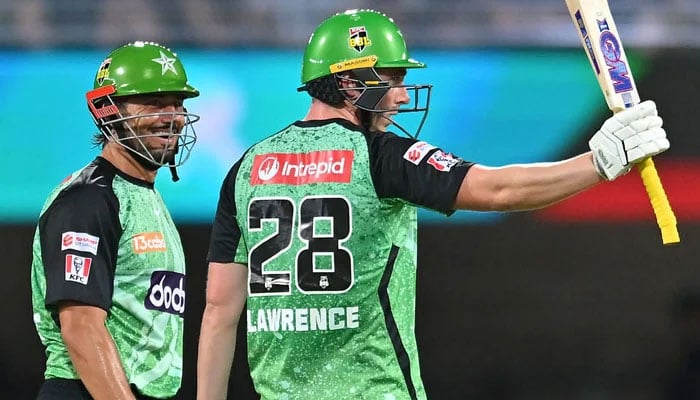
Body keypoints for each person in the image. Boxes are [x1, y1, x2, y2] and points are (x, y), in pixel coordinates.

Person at [196, 9, 669, 400]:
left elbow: (219, 307)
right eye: (390, 79)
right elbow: (499, 191)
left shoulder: (247, 167)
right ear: (346, 85)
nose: (402, 96)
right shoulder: (379, 156)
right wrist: (602, 160)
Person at [30, 41, 200, 400]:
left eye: (178, 104)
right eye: (154, 103)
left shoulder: (141, 195)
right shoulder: (88, 199)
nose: (172, 116)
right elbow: (80, 327)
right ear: (108, 111)